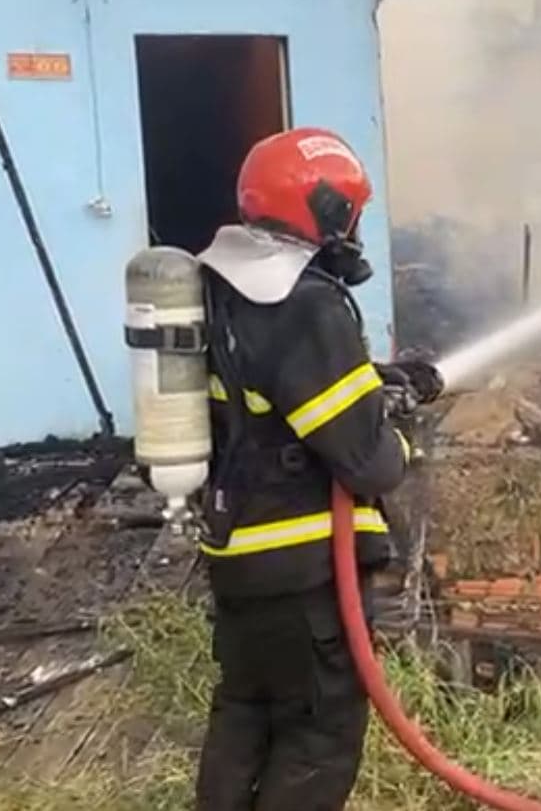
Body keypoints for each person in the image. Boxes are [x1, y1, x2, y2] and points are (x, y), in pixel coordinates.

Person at [192, 127, 444, 811]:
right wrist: (397, 433)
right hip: (302, 573)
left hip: (241, 560)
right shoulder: (306, 304)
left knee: (246, 716)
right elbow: (367, 462)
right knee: (317, 738)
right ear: (323, 209)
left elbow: (273, 397)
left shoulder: (223, 287)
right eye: (349, 212)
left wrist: (381, 380)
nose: (352, 228)